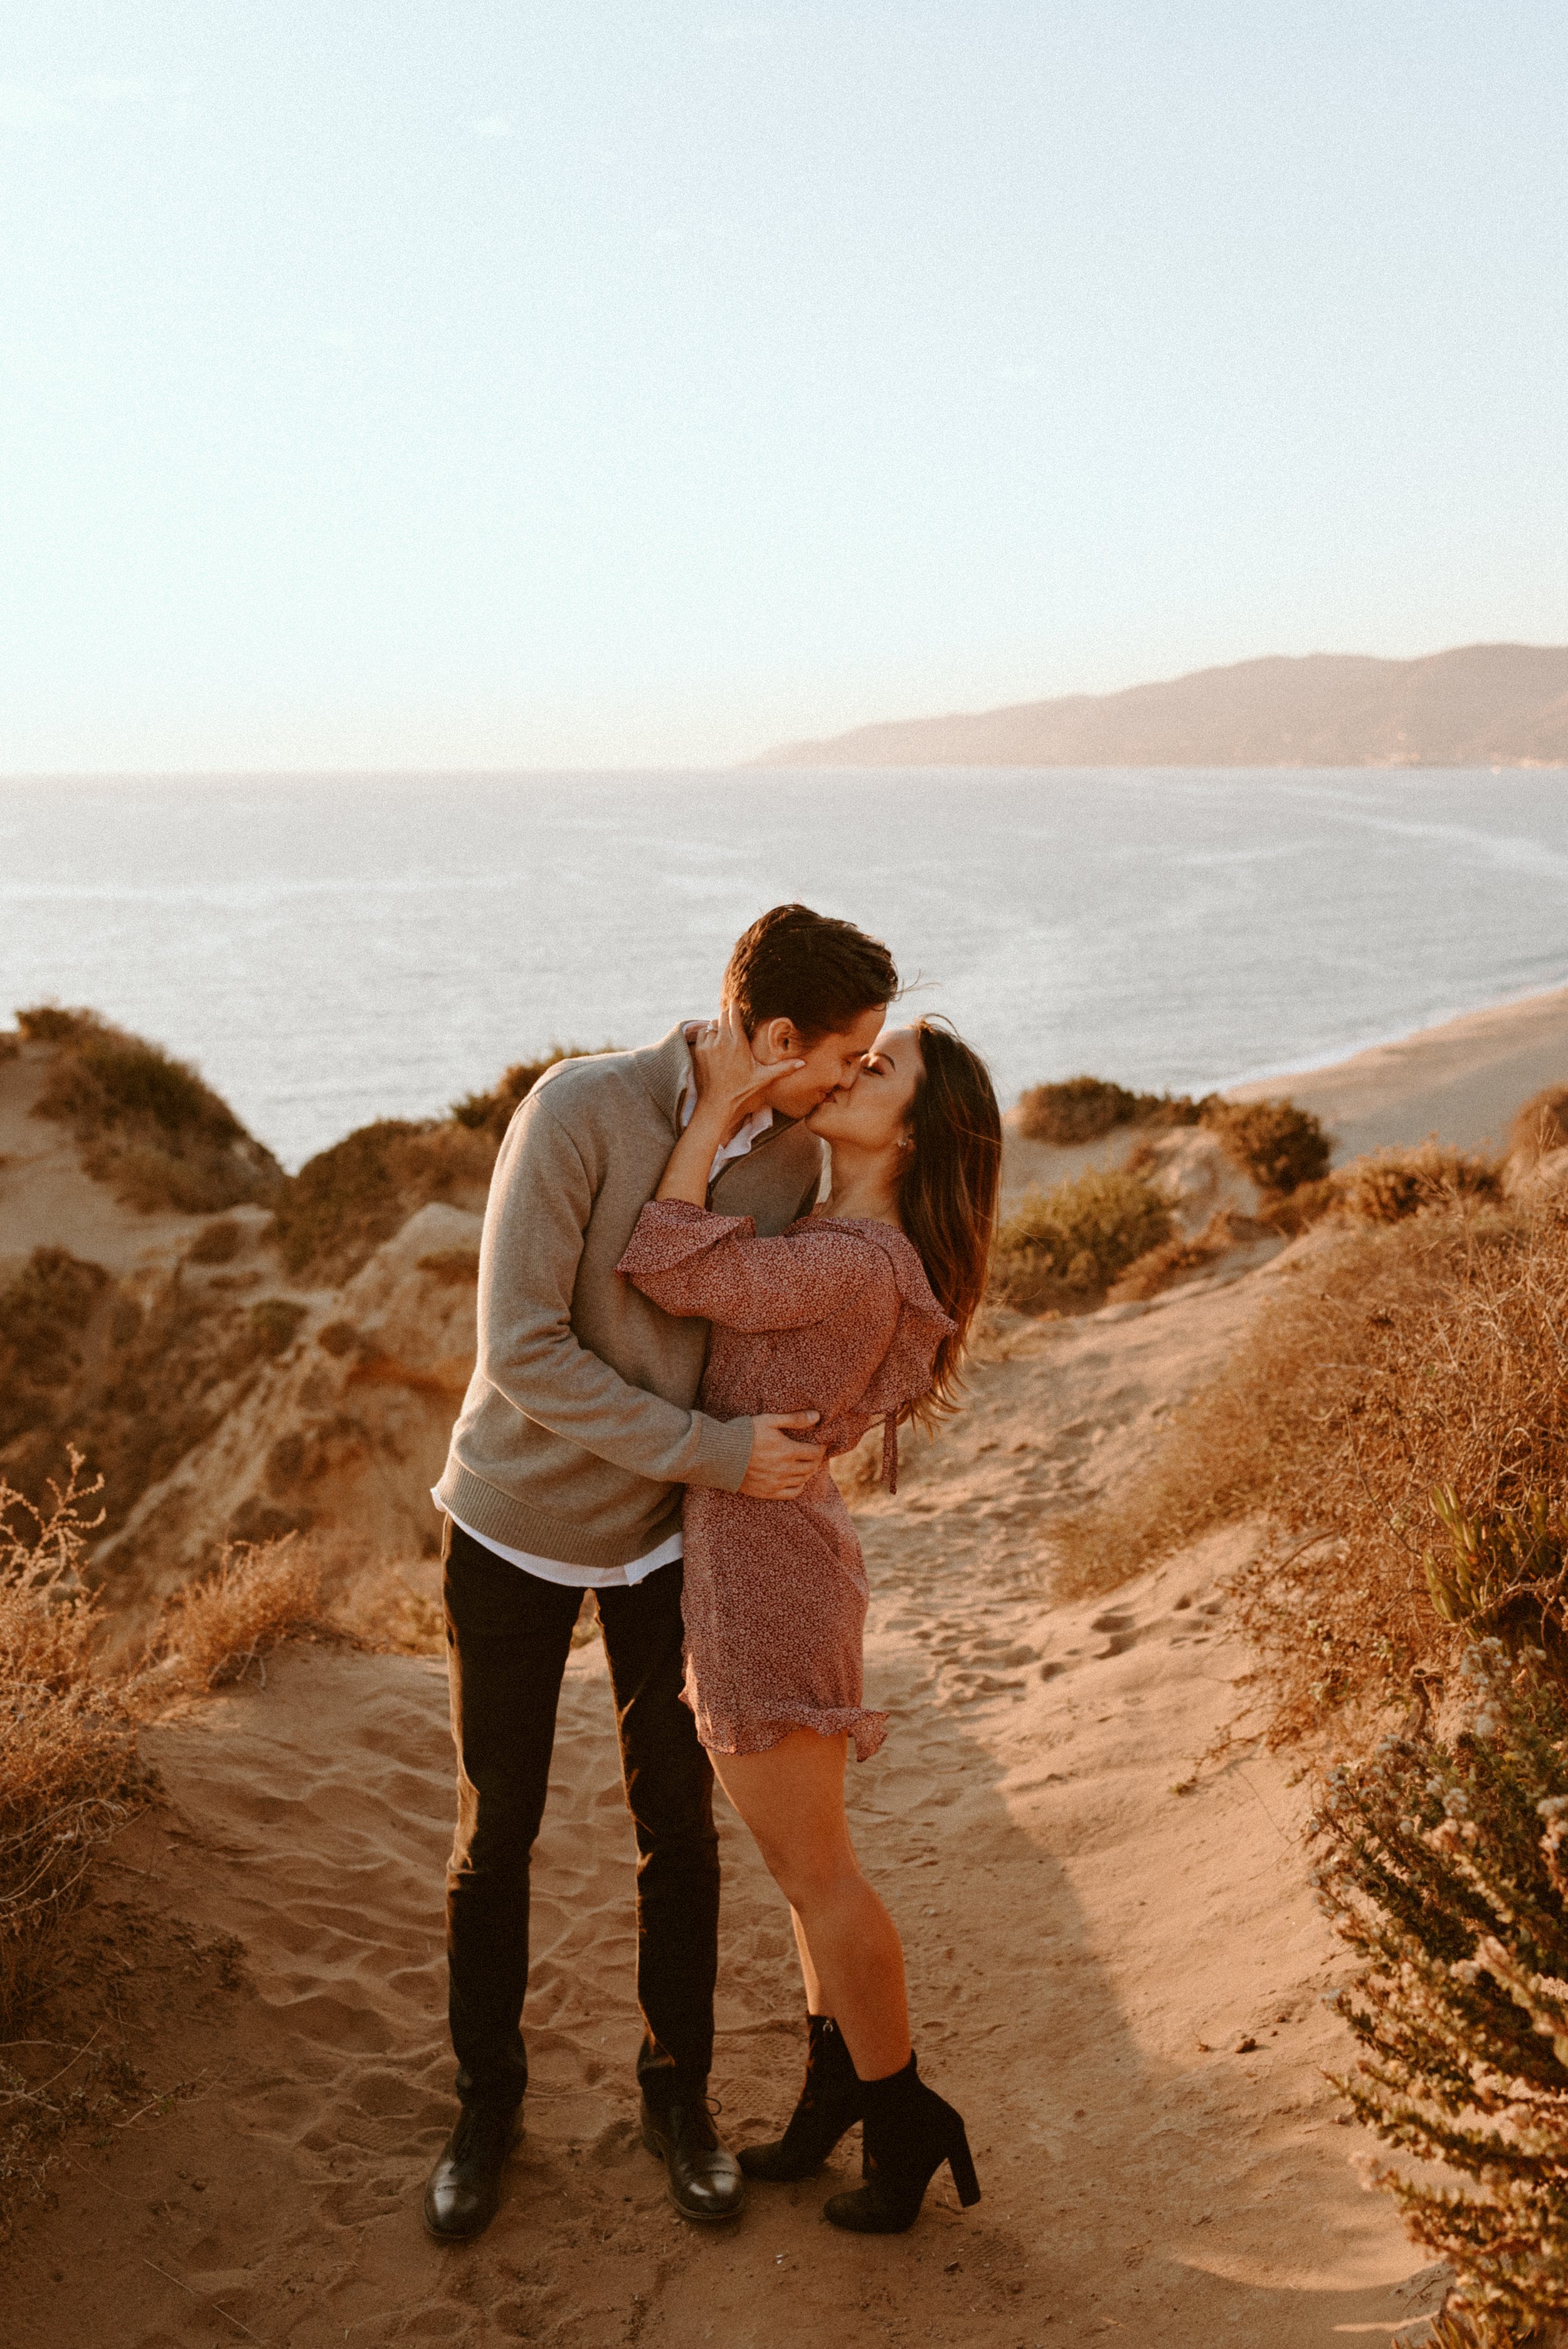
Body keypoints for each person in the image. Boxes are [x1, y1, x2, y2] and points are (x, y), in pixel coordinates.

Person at [422, 904, 899, 2242]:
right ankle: (484, 2107)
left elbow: (756, 1316)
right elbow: (520, 1345)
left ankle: (674, 2101)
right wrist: (712, 1447)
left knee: (674, 1831)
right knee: (494, 1827)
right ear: (773, 1034)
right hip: (511, 1519)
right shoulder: (576, 1110)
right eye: (843, 1052)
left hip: (662, 1543)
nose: (852, 1076)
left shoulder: (793, 1160)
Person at [615, 1001, 1002, 2234]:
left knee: (818, 1874)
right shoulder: (845, 1233)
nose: (851, 1068)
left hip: (770, 1568)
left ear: (920, 1127)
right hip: (766, 1552)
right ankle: (837, 2085)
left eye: (878, 1066)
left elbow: (665, 1260)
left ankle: (900, 2114)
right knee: (800, 1876)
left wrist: (725, 1104)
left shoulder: (847, 1259)